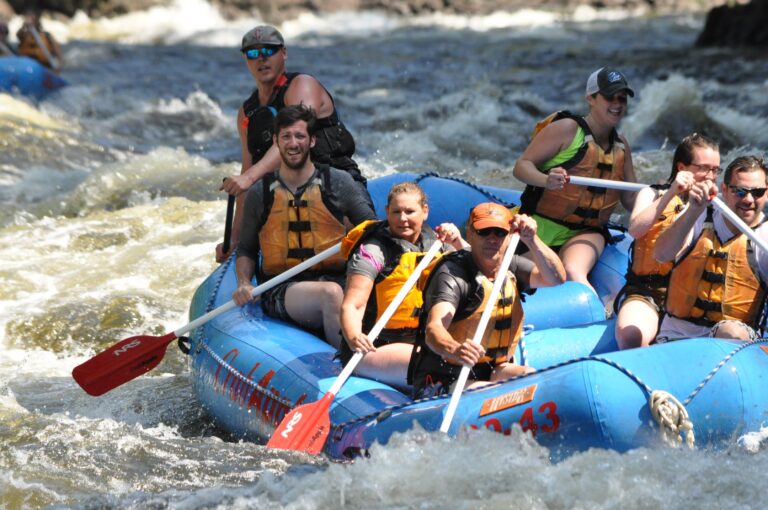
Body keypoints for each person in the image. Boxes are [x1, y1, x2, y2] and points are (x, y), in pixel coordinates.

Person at [217, 25, 370, 262]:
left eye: (269, 50)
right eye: (253, 53)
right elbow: (246, 175)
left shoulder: (302, 85)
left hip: (336, 187)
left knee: (368, 241)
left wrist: (249, 178)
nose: (262, 58)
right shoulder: (247, 113)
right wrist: (235, 240)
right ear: (246, 60)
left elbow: (293, 135)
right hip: (287, 198)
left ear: (284, 53)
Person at [232, 104, 376, 349]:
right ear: (276, 141)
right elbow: (246, 250)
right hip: (283, 289)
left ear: (312, 141)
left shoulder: (338, 182)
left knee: (341, 292)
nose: (293, 143)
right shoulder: (261, 193)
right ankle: (348, 363)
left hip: (341, 280)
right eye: (286, 137)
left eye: (300, 136)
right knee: (330, 294)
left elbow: (373, 232)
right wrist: (244, 282)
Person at [409, 203, 567, 399]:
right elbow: (434, 328)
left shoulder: (511, 266)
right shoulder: (453, 274)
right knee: (489, 394)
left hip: (493, 369)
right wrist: (455, 349)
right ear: (471, 233)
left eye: (500, 233)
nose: (492, 239)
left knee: (531, 380)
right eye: (484, 231)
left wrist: (532, 240)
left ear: (510, 236)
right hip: (443, 378)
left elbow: (556, 278)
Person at [512, 67, 637, 295]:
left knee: (572, 271)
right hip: (541, 225)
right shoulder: (567, 129)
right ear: (591, 98)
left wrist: (662, 194)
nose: (617, 104)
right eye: (610, 96)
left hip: (586, 231)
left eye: (622, 98)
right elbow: (521, 166)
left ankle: (593, 318)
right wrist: (545, 180)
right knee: (517, 274)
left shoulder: (622, 145)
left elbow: (630, 199)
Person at [339, 182, 468, 389]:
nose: (402, 219)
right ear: (387, 212)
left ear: (425, 212)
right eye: (396, 211)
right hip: (375, 346)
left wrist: (458, 242)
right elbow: (353, 305)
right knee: (442, 362)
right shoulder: (373, 250)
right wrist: (354, 336)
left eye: (410, 211)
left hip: (424, 340)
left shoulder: (437, 243)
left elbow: (480, 273)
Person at [614, 134, 721, 349]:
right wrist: (672, 192)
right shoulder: (651, 193)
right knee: (631, 337)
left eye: (716, 170)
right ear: (682, 168)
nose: (710, 176)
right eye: (704, 168)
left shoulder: (717, 207)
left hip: (692, 301)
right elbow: (635, 229)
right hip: (650, 293)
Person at [654, 155, 768, 342]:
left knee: (730, 330)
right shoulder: (698, 215)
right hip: (676, 337)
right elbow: (660, 255)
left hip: (735, 347)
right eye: (739, 191)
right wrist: (692, 210)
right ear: (724, 189)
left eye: (757, 192)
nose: (748, 199)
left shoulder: (765, 236)